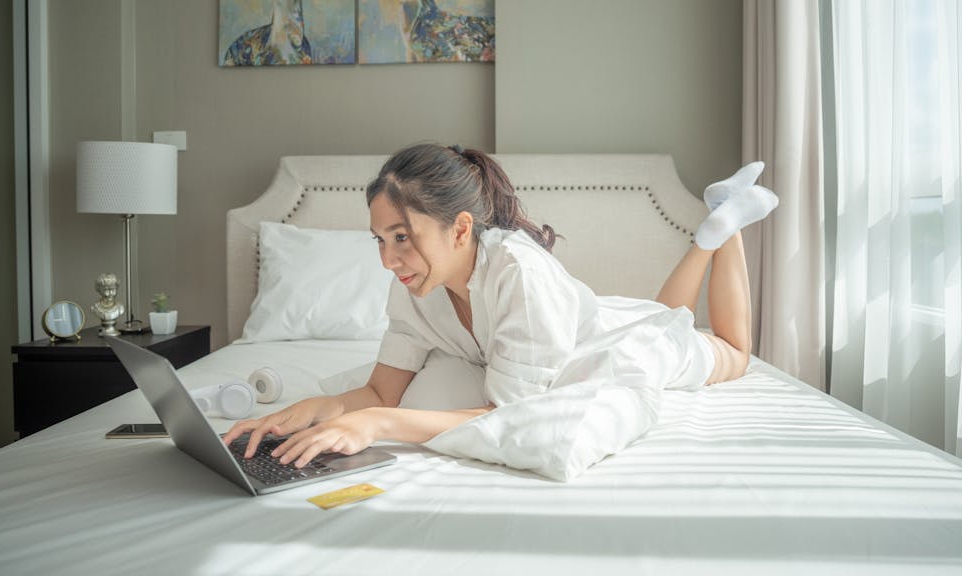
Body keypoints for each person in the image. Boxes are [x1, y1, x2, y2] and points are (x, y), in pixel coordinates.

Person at [223, 143, 779, 470]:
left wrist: (379, 424)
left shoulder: (518, 269)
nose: (390, 258)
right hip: (578, 326)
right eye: (380, 239)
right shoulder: (413, 279)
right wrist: (311, 408)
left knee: (732, 351)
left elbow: (506, 414)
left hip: (605, 351)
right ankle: (712, 226)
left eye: (402, 236)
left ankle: (722, 228)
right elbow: (379, 391)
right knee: (663, 314)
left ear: (461, 229)